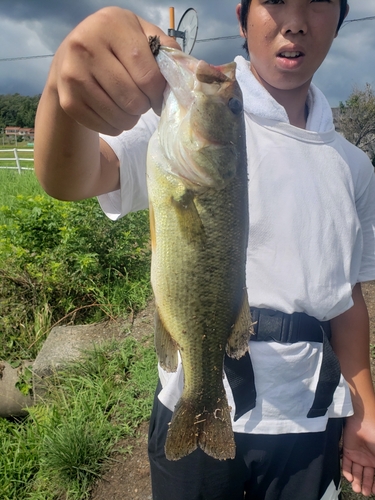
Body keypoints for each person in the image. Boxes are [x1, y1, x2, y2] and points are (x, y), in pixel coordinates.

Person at [34, 1, 375, 498]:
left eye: (317, 2)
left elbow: (347, 297)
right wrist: (61, 91)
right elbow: (71, 177)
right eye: (275, 0)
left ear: (340, 20)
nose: (295, 20)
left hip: (308, 415)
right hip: (197, 393)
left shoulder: (354, 167)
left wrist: (363, 408)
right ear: (242, 17)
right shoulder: (180, 116)